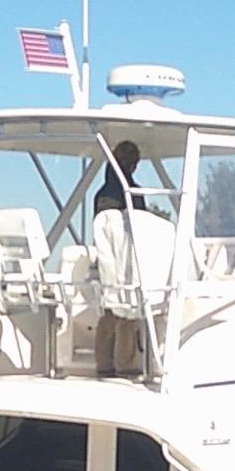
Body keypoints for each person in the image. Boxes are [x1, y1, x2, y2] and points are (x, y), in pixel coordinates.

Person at [92, 141, 150, 377]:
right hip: (128, 262)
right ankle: (127, 365)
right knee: (129, 312)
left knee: (109, 313)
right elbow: (142, 229)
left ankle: (104, 363)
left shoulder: (102, 195)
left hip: (105, 260)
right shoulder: (133, 194)